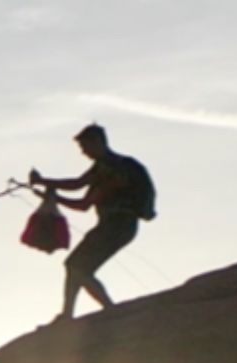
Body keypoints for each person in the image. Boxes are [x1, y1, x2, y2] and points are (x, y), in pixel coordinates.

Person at [28, 123, 155, 319]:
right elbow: (81, 196)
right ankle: (71, 314)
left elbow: (80, 193)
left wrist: (46, 185)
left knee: (78, 266)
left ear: (98, 142)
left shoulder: (116, 169)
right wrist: (47, 190)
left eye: (85, 147)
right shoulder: (103, 170)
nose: (84, 152)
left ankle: (106, 310)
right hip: (112, 225)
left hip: (119, 225)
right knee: (76, 266)